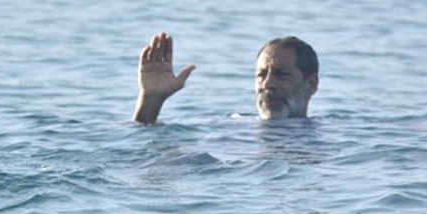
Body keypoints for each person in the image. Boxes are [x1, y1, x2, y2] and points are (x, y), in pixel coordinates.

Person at [132, 32, 319, 124]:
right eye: (261, 75)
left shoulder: (328, 137)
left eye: (282, 74)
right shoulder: (228, 129)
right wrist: (151, 100)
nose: (268, 84)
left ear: (311, 84)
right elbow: (143, 154)